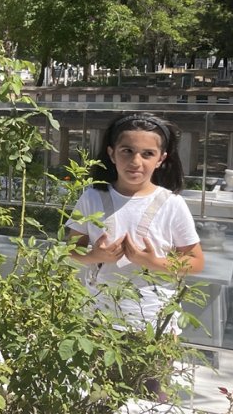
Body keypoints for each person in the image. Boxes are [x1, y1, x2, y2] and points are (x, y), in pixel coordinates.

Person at [66, 113, 204, 335]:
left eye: (147, 154)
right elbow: (70, 250)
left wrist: (153, 261)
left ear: (161, 159)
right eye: (127, 151)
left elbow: (196, 262)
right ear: (112, 153)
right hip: (97, 320)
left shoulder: (172, 204)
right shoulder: (92, 197)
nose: (136, 162)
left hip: (154, 323)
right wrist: (95, 256)